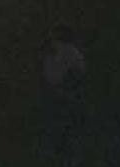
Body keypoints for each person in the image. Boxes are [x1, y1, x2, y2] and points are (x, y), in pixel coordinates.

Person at [42, 23, 86, 167]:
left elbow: (55, 77)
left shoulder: (67, 52)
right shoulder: (66, 52)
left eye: (52, 36)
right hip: (66, 96)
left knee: (67, 131)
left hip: (67, 96)